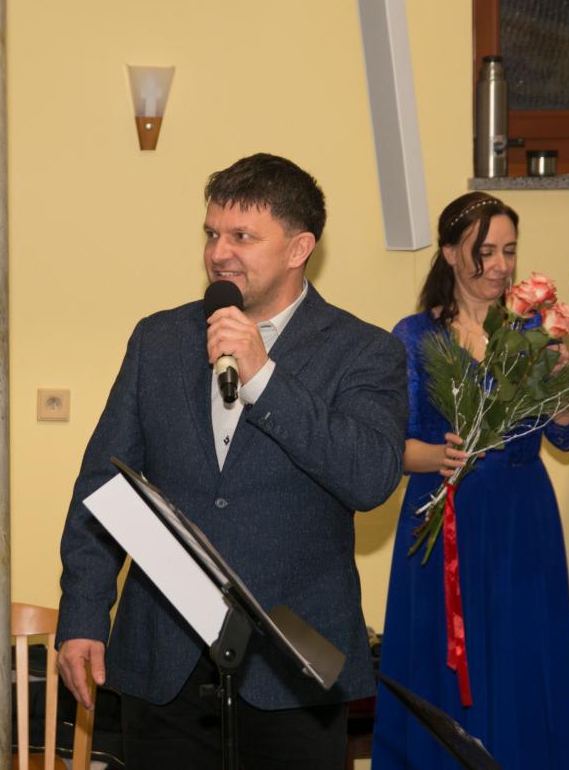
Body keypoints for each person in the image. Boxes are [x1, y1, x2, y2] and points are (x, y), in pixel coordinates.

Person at [53, 152, 408, 769]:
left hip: (293, 668)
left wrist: (264, 377)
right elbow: (104, 486)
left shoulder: (364, 351)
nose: (219, 253)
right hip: (164, 660)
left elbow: (371, 476)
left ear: (299, 248)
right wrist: (83, 613)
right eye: (212, 233)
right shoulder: (159, 340)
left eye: (243, 236)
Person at [371, 192, 569, 770]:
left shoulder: (534, 331)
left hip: (522, 519)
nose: (500, 265)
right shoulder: (415, 336)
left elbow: (565, 436)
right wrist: (439, 455)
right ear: (449, 253)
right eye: (484, 251)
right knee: (441, 662)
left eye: (509, 251)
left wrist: (562, 385)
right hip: (443, 517)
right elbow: (392, 445)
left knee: (520, 659)